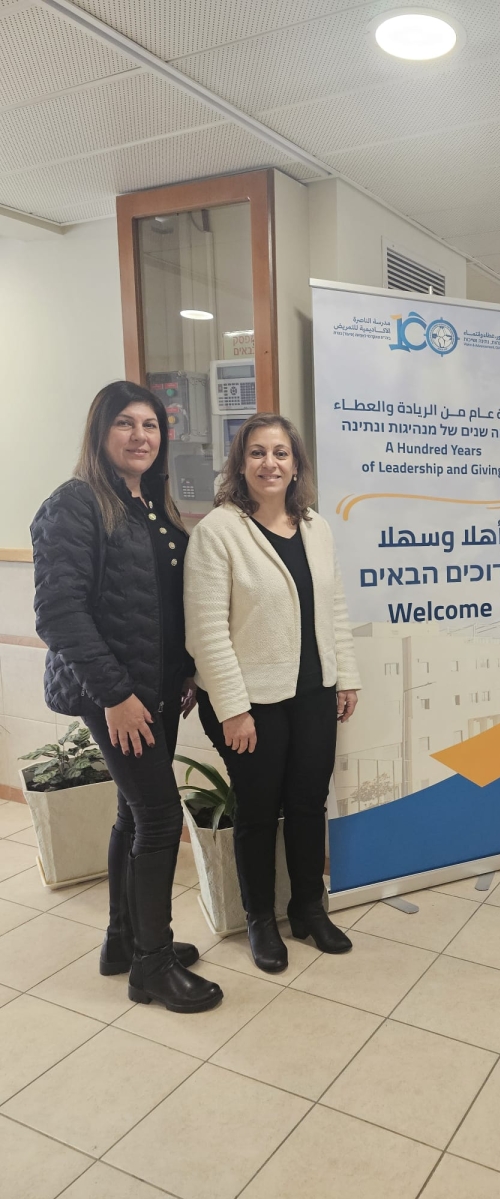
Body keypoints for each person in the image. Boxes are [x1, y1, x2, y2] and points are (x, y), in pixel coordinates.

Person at [31, 381, 223, 1013]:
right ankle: (152, 965)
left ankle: (123, 941)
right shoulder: (76, 503)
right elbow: (59, 613)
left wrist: (185, 671)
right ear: (100, 431)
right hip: (116, 693)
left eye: (151, 425)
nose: (141, 436)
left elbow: (166, 602)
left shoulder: (151, 503)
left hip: (157, 690)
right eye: (125, 423)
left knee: (133, 814)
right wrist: (116, 696)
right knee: (160, 816)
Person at [184, 413, 361, 973]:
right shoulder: (219, 531)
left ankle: (308, 907)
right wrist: (232, 709)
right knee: (258, 812)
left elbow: (334, 607)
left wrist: (346, 675)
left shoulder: (315, 526)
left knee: (308, 804)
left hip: (314, 693)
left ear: (296, 464)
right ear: (240, 464)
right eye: (257, 453)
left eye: (281, 453)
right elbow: (207, 631)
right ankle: (260, 917)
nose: (270, 463)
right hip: (251, 704)